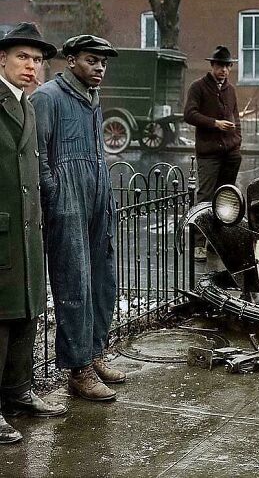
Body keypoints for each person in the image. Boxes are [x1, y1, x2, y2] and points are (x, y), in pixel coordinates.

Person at [30, 34, 124, 402]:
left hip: (97, 195)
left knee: (102, 280)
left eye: (103, 62)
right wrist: (54, 194)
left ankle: (95, 353)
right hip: (67, 201)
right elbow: (38, 156)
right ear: (70, 60)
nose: (99, 67)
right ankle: (78, 369)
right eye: (91, 60)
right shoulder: (48, 97)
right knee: (74, 284)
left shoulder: (92, 97)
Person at [0, 22, 66, 444]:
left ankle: (17, 393)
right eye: (22, 56)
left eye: (38, 60)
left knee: (25, 311)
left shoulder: (27, 103)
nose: (31, 66)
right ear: (1, 58)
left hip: (25, 229)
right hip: (3, 230)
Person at [184, 46, 242, 261]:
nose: (223, 70)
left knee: (225, 197)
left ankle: (216, 242)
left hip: (231, 154)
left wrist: (237, 141)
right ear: (212, 66)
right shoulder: (198, 87)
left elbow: (236, 119)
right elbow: (189, 114)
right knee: (205, 197)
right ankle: (198, 244)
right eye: (220, 66)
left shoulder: (231, 90)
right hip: (209, 153)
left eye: (227, 66)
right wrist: (215, 123)